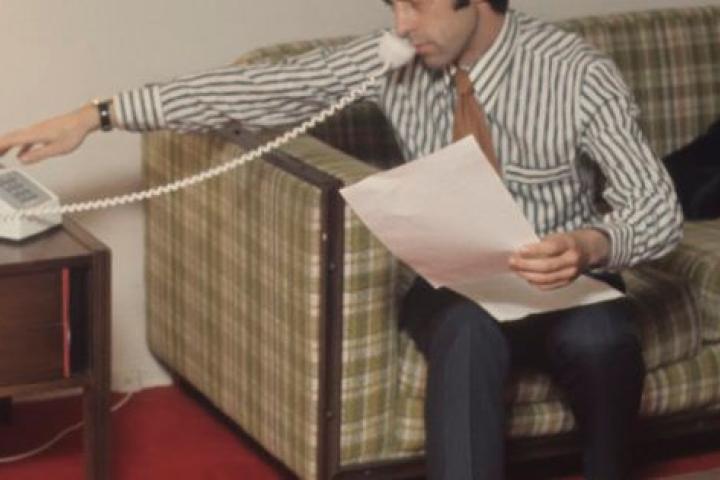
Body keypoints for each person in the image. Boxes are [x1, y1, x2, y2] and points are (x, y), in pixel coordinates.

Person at [0, 0, 683, 478]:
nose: (401, 24)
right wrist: (96, 116)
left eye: (417, 5)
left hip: (566, 275)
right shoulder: (395, 60)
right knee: (466, 334)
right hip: (458, 281)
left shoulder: (577, 73)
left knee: (602, 338)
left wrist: (591, 245)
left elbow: (657, 207)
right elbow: (255, 89)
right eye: (392, 5)